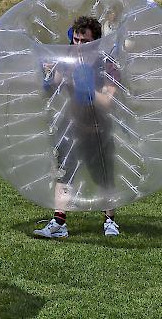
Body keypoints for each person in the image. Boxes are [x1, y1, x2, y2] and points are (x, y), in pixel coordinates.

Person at [34, 16, 120, 239]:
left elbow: (109, 101)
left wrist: (88, 89)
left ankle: (110, 221)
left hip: (97, 128)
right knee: (64, 176)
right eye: (77, 39)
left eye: (85, 40)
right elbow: (53, 88)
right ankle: (59, 222)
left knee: (104, 178)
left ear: (95, 41)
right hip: (70, 126)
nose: (79, 45)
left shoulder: (106, 64)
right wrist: (48, 74)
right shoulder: (67, 61)